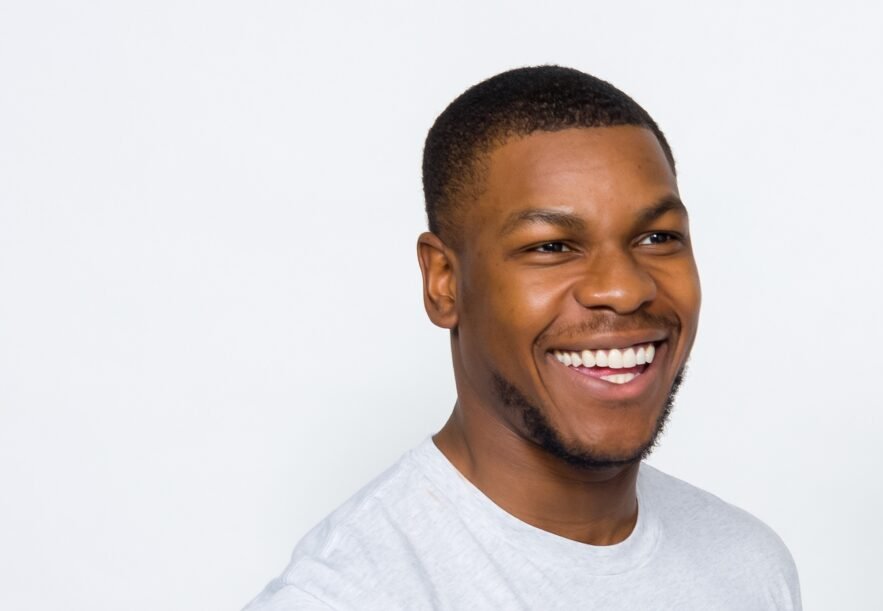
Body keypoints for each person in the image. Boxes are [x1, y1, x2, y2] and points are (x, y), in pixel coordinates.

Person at [245, 65, 801, 610]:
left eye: (657, 237)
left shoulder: (748, 567)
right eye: (551, 246)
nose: (625, 289)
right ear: (444, 283)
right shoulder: (344, 596)